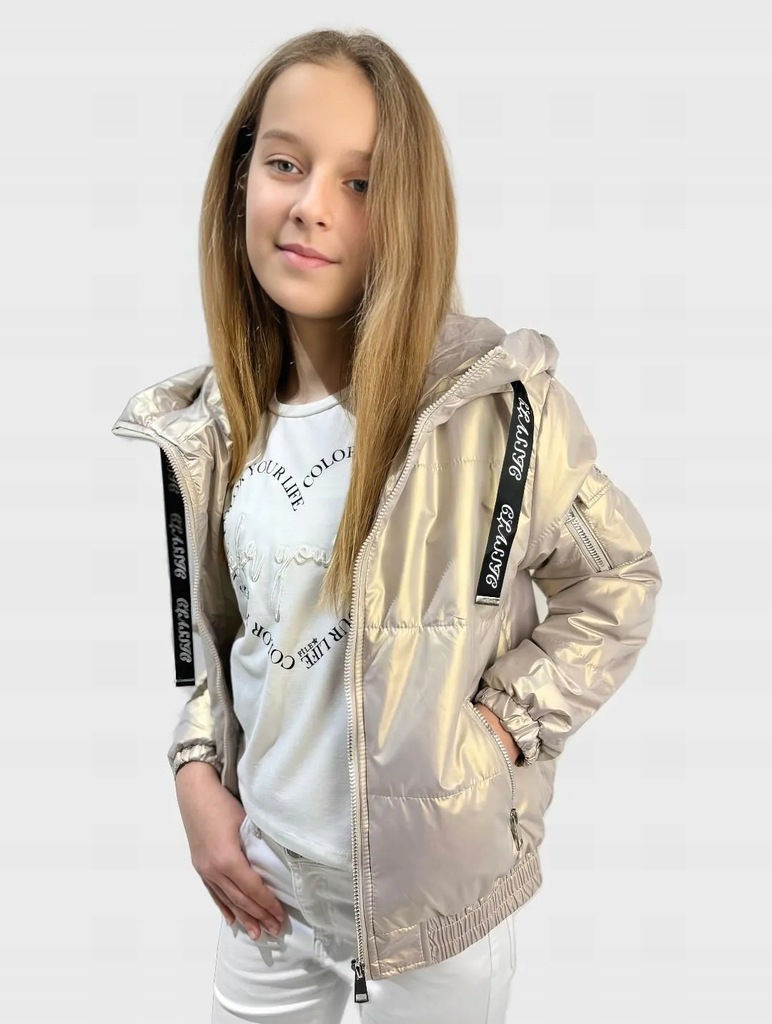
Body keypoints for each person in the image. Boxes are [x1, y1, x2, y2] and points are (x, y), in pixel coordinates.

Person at [111, 27, 662, 1024]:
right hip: (263, 894)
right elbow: (225, 642)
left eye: (360, 183)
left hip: (436, 908)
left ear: (409, 210)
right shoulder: (211, 425)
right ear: (240, 182)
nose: (312, 205)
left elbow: (616, 582)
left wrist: (500, 730)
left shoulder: (496, 410)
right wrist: (194, 769)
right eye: (285, 164)